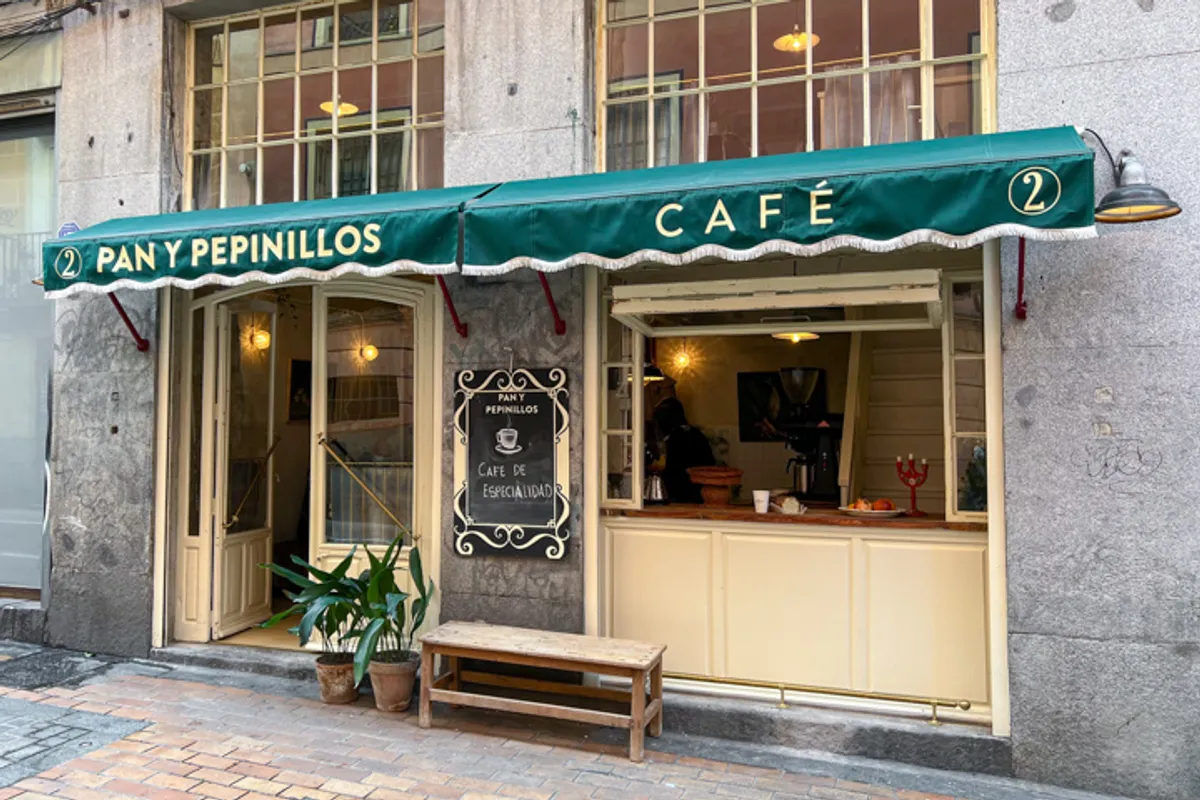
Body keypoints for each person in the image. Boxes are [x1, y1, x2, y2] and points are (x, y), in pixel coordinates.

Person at [652, 397, 715, 504]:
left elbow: (672, 473)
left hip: (683, 497)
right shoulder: (697, 434)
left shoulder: (675, 439)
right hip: (704, 493)